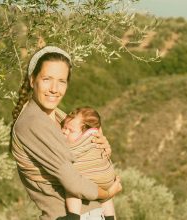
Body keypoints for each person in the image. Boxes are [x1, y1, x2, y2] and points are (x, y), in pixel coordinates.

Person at [10, 46, 122, 220]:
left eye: (61, 81)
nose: (54, 88)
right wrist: (107, 193)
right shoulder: (32, 123)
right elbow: (73, 181)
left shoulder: (61, 118)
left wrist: (102, 148)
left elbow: (85, 157)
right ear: (33, 80)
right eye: (47, 79)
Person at [62, 107, 116, 220]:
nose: (64, 131)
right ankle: (110, 217)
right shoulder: (96, 138)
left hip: (89, 176)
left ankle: (73, 215)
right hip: (108, 179)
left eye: (70, 130)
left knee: (72, 187)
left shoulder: (80, 144)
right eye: (64, 127)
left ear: (85, 132)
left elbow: (68, 157)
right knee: (106, 197)